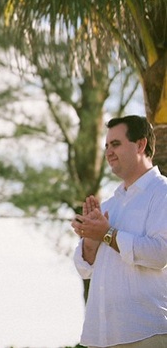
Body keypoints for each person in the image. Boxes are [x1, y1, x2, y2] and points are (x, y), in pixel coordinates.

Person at [71, 115, 167, 347]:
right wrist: (91, 240)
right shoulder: (108, 206)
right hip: (100, 336)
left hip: (146, 334)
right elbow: (85, 270)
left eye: (115, 144)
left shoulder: (162, 193)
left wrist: (106, 234)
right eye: (106, 146)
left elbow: (161, 254)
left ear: (141, 145)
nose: (108, 152)